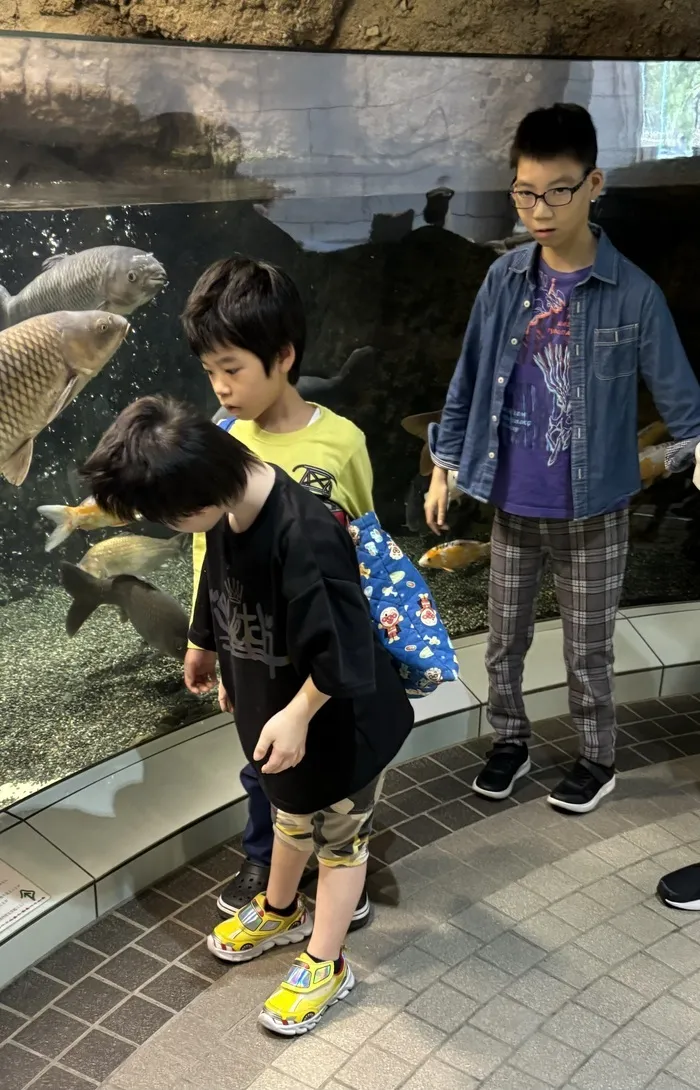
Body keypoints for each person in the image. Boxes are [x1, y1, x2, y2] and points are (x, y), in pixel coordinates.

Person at [82, 396, 414, 1034]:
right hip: (275, 704)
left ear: (196, 493)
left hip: (336, 719)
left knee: (341, 840)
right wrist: (207, 644)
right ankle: (282, 908)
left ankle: (328, 962)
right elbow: (216, 583)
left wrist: (298, 713)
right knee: (288, 812)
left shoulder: (306, 533)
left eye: (165, 516)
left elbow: (344, 650)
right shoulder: (227, 508)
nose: (171, 528)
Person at [425, 103, 700, 814]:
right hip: (511, 504)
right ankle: (510, 741)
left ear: (594, 184)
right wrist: (442, 463)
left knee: (589, 652)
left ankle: (596, 758)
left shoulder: (633, 295)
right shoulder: (504, 280)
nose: (539, 209)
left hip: (594, 507)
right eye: (525, 192)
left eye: (557, 191)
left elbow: (682, 397)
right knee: (501, 643)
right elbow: (470, 376)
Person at [181, 257, 375, 927]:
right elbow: (208, 550)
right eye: (210, 372)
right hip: (250, 645)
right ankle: (264, 862)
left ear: (283, 355)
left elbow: (365, 549)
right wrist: (203, 638)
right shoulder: (221, 441)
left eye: (231, 369)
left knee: (333, 769)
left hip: (318, 654)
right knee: (260, 763)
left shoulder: (341, 442)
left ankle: (340, 870)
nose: (221, 388)